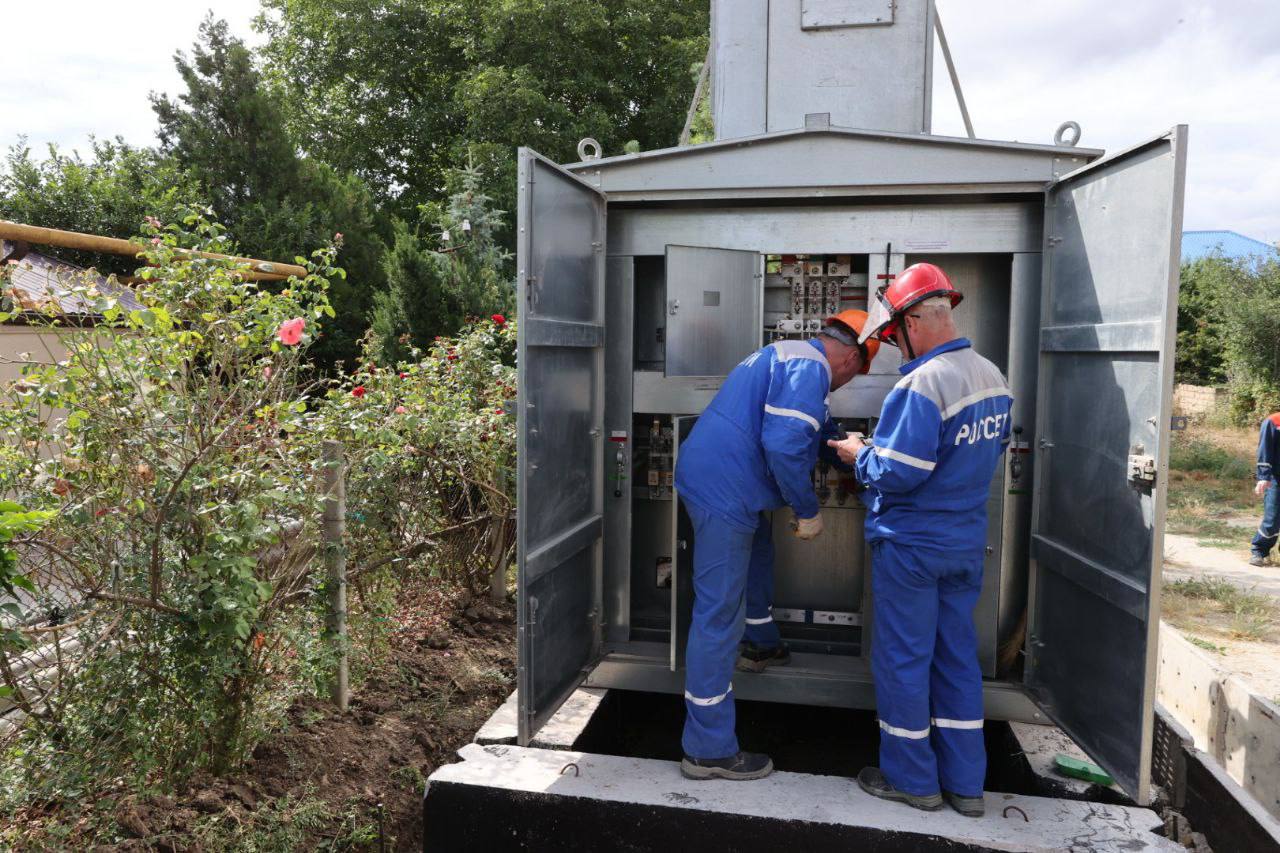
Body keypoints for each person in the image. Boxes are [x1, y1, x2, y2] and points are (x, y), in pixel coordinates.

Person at [827, 263, 1012, 817]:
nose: (895, 349)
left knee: (904, 661)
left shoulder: (923, 382)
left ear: (912, 320)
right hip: (962, 543)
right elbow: (981, 457)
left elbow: (900, 471)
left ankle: (913, 780)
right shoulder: (992, 376)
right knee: (956, 659)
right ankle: (966, 785)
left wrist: (860, 454)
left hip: (911, 545)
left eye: (893, 336)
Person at [674, 310, 879, 781]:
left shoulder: (793, 358)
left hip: (727, 480)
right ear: (850, 357)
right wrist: (808, 510)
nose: (848, 382)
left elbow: (814, 433)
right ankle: (707, 749)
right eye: (856, 373)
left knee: (759, 556)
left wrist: (848, 448)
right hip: (725, 490)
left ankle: (762, 642)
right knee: (717, 612)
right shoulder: (811, 369)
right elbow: (787, 445)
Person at [1250, 413, 1280, 567]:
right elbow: (1265, 449)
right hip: (1276, 478)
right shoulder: (1273, 421)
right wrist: (1263, 476)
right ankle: (1259, 551)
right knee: (1273, 518)